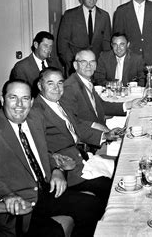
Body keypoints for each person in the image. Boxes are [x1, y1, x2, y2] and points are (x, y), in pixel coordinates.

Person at [0, 79, 105, 236]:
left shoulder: (35, 118)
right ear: (3, 100)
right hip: (18, 203)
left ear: (31, 102)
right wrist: (6, 195)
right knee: (53, 232)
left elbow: (42, 152)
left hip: (43, 190)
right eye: (13, 97)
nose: (19, 105)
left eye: (25, 98)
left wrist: (55, 169)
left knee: (93, 206)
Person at [32, 67, 113, 202]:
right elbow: (37, 149)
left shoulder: (61, 103)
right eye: (50, 83)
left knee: (118, 172)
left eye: (60, 83)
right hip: (68, 171)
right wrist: (56, 168)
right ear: (40, 85)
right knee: (108, 187)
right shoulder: (36, 112)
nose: (57, 88)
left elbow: (76, 127)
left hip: (81, 159)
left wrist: (106, 135)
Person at [60, 50, 143, 152]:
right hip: (90, 142)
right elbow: (71, 121)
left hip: (100, 134)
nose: (88, 66)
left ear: (95, 66)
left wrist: (129, 104)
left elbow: (101, 105)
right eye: (84, 62)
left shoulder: (85, 82)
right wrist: (97, 128)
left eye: (92, 62)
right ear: (75, 65)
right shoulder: (70, 87)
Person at [57, 0, 111, 76]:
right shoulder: (70, 15)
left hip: (97, 68)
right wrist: (72, 63)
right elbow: (62, 43)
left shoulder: (104, 16)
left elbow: (106, 43)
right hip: (75, 68)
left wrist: (103, 64)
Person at [10, 31, 62, 96]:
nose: (48, 49)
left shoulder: (55, 63)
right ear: (36, 45)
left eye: (50, 46)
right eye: (45, 45)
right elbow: (21, 94)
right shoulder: (21, 67)